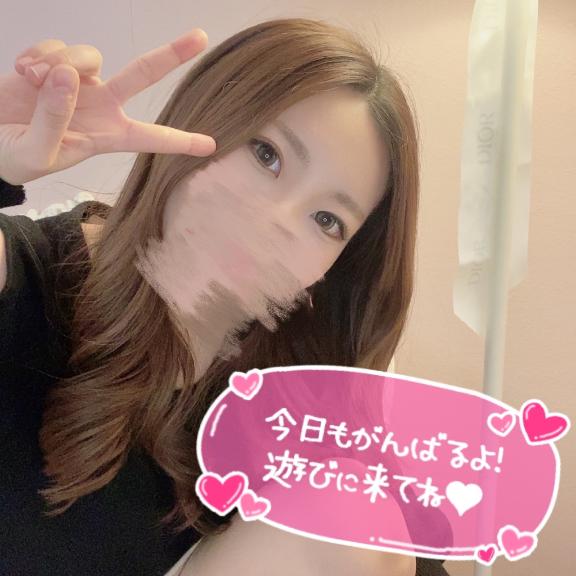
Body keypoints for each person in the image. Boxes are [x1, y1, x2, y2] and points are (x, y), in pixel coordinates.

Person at [0, 18, 450, 576]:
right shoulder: (26, 281)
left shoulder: (300, 385)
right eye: (266, 154)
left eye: (327, 220)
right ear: (205, 116)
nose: (275, 221)